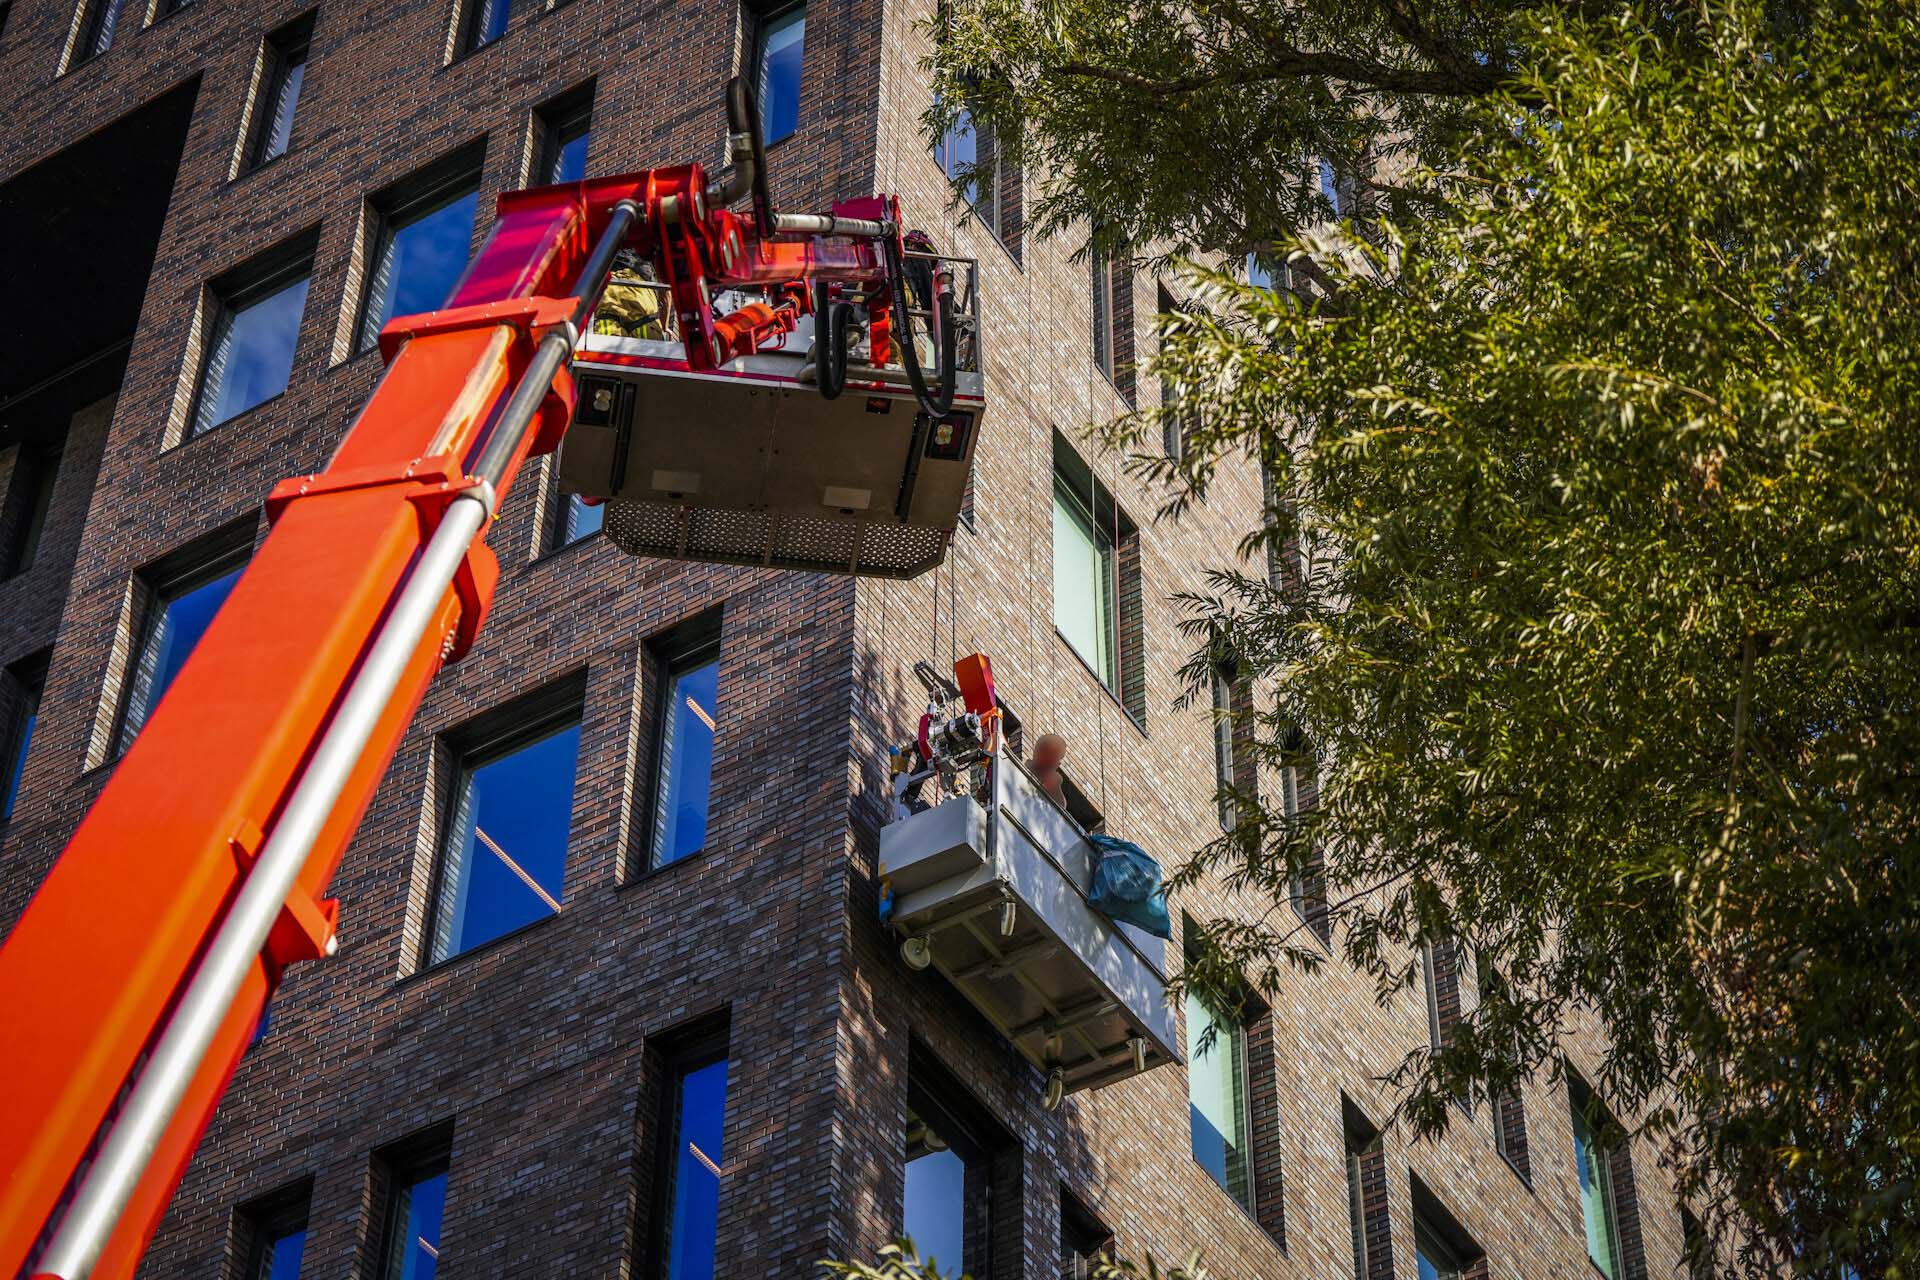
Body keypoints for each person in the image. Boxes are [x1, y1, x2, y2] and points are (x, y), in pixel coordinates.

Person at [1032, 732, 1068, 807]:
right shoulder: (1018, 769)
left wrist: (1056, 789)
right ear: (1038, 752)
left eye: (1060, 758)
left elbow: (1060, 808)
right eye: (1052, 754)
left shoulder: (1053, 784)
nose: (1058, 762)